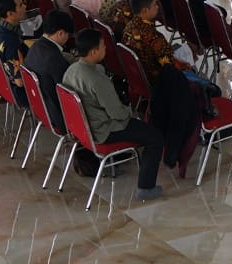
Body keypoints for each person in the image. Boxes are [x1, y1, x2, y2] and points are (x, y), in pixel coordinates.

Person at [62, 28, 166, 200]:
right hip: (105, 130)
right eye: (103, 46)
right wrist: (130, 111)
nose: (106, 48)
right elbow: (117, 113)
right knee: (155, 137)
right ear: (94, 51)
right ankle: (146, 188)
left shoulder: (71, 70)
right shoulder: (96, 80)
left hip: (85, 129)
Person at [119, 0, 201, 177]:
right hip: (158, 82)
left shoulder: (129, 28)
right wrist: (188, 67)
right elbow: (170, 67)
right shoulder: (155, 38)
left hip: (138, 81)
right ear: (145, 10)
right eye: (155, 4)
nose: (158, 7)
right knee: (194, 77)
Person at [24, 11, 75, 132]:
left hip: (41, 109)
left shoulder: (34, 47)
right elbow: (69, 91)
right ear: (60, 33)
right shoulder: (54, 59)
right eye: (68, 34)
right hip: (60, 118)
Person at [0, 0, 30, 105]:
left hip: (2, 84)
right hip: (20, 93)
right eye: (20, 5)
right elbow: (20, 82)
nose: (25, 6)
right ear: (10, 13)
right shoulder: (12, 42)